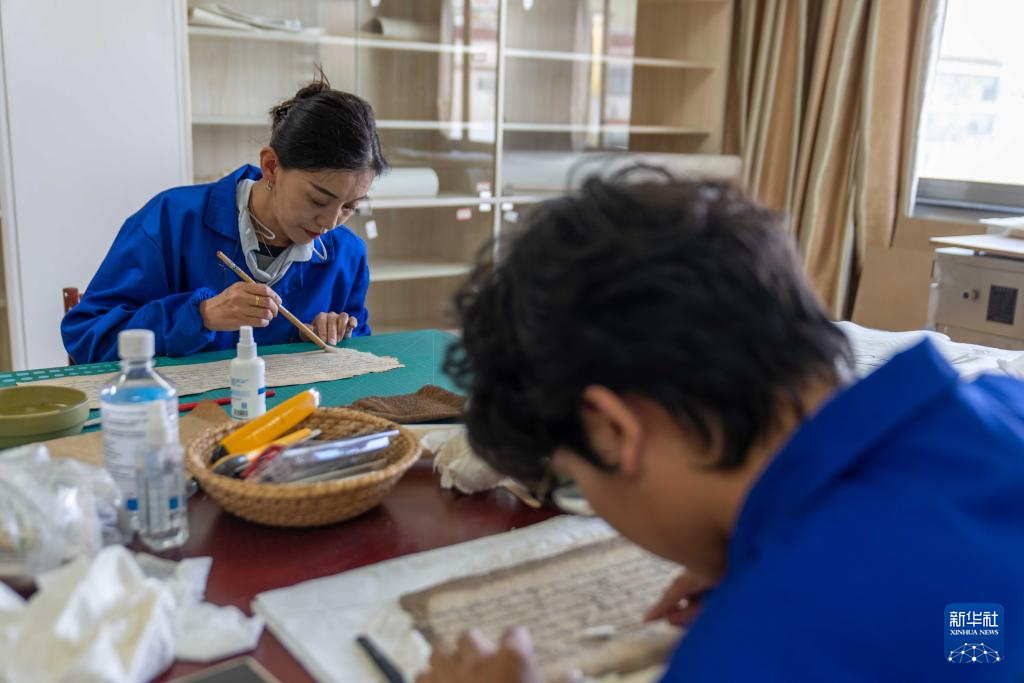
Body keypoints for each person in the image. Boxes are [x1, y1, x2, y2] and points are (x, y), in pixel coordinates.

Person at [420, 171, 1024, 682]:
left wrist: (779, 601)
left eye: (575, 482)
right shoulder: (1005, 402)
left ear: (611, 432)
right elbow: (977, 633)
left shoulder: (750, 648)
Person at [62, 72, 387, 363]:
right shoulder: (171, 221)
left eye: (350, 207)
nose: (329, 223)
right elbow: (87, 337)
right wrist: (201, 315)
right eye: (318, 200)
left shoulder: (347, 254)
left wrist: (330, 336)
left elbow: (359, 352)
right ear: (271, 166)